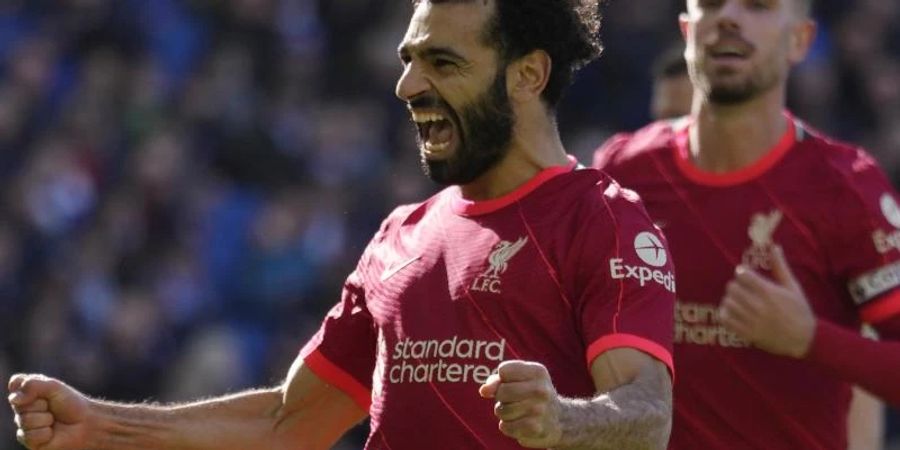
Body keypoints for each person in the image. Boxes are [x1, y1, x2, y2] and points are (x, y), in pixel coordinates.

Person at [9, 1, 677, 449]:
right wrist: (102, 426)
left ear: (529, 74)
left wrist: (565, 420)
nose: (408, 86)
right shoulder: (399, 237)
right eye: (409, 59)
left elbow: (649, 413)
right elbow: (285, 422)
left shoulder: (603, 219)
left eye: (442, 63)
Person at [593, 0, 900, 448]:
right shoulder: (624, 172)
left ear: (800, 41)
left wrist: (810, 338)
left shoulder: (847, 188)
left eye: (758, 6)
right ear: (686, 30)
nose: (729, 17)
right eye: (711, 4)